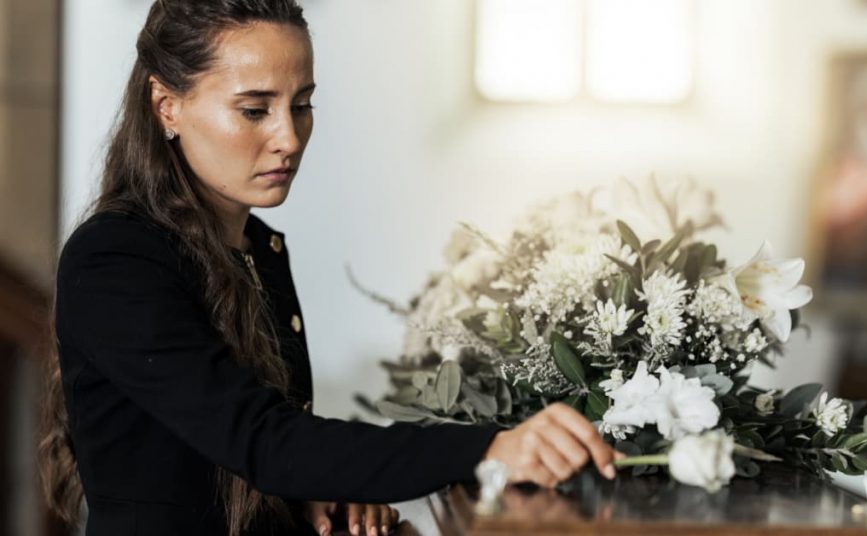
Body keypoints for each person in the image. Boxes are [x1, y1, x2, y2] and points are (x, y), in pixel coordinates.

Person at [37, 1, 621, 535]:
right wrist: (488, 447)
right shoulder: (115, 258)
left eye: (302, 105)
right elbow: (262, 441)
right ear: (168, 105)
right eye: (253, 109)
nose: (288, 138)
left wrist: (316, 490)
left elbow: (251, 453)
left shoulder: (253, 249)